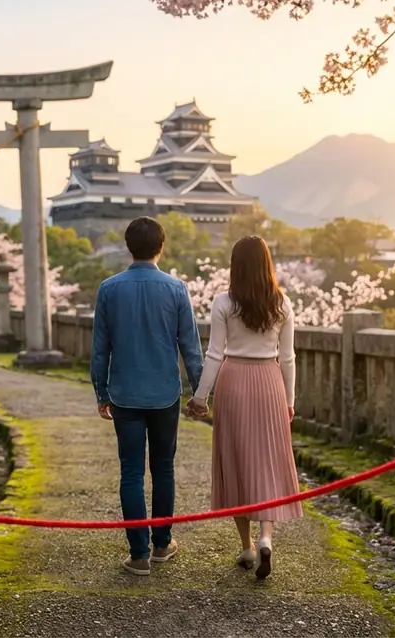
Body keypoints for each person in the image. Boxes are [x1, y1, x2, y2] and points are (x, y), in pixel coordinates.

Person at [91, 217, 204, 577]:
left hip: (124, 393)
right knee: (163, 468)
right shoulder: (176, 288)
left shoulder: (109, 289)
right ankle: (162, 544)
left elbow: (100, 349)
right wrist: (200, 392)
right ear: (161, 246)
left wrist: (101, 391)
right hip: (165, 393)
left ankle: (138, 554)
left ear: (128, 246)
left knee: (131, 471)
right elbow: (190, 346)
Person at [187, 235, 302, 581]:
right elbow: (288, 358)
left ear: (235, 266)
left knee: (236, 460)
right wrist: (289, 401)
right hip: (269, 382)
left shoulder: (224, 302)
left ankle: (247, 545)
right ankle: (266, 536)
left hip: (233, 381)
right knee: (268, 461)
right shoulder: (282, 303)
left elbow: (214, 353)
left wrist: (200, 396)